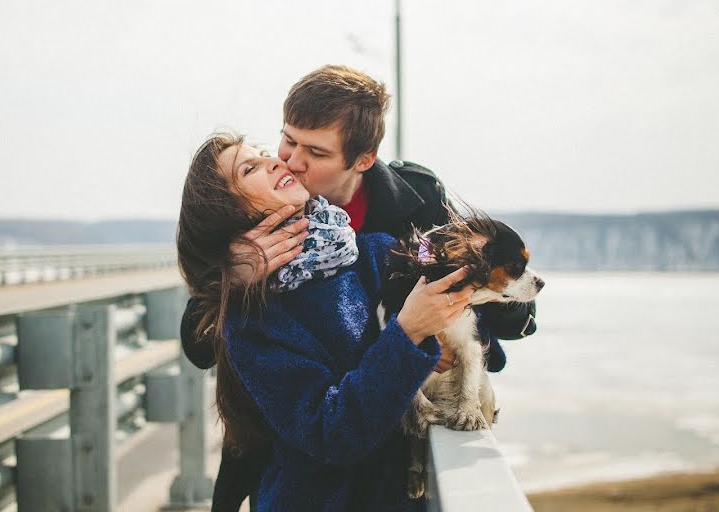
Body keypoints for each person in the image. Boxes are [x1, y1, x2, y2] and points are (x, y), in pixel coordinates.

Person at [180, 65, 538, 510]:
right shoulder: (251, 286)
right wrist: (232, 281)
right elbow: (206, 344)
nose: (290, 160)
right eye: (286, 140)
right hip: (305, 475)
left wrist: (446, 323)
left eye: (315, 151)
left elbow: (502, 311)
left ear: (363, 160)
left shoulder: (397, 226)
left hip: (383, 472)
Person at [177, 133, 475, 510]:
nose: (276, 162)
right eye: (249, 168)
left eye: (266, 155)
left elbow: (467, 287)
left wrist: (461, 337)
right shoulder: (251, 317)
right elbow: (331, 434)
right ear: (230, 210)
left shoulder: (372, 251)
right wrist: (409, 333)